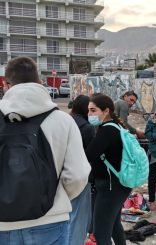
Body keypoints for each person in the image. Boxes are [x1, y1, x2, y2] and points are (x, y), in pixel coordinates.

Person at [0, 57, 90, 244]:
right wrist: (55, 197)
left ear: (6, 84)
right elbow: (78, 176)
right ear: (40, 82)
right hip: (50, 222)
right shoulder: (63, 120)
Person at [86, 93, 132, 245]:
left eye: (93, 110)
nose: (89, 114)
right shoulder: (116, 126)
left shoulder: (106, 130)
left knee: (100, 232)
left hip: (110, 188)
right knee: (113, 226)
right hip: (119, 185)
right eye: (88, 111)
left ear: (105, 111)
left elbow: (89, 155)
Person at [69, 95, 96, 245]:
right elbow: (92, 155)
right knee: (79, 217)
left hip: (62, 176)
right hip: (81, 177)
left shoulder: (65, 121)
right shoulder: (87, 128)